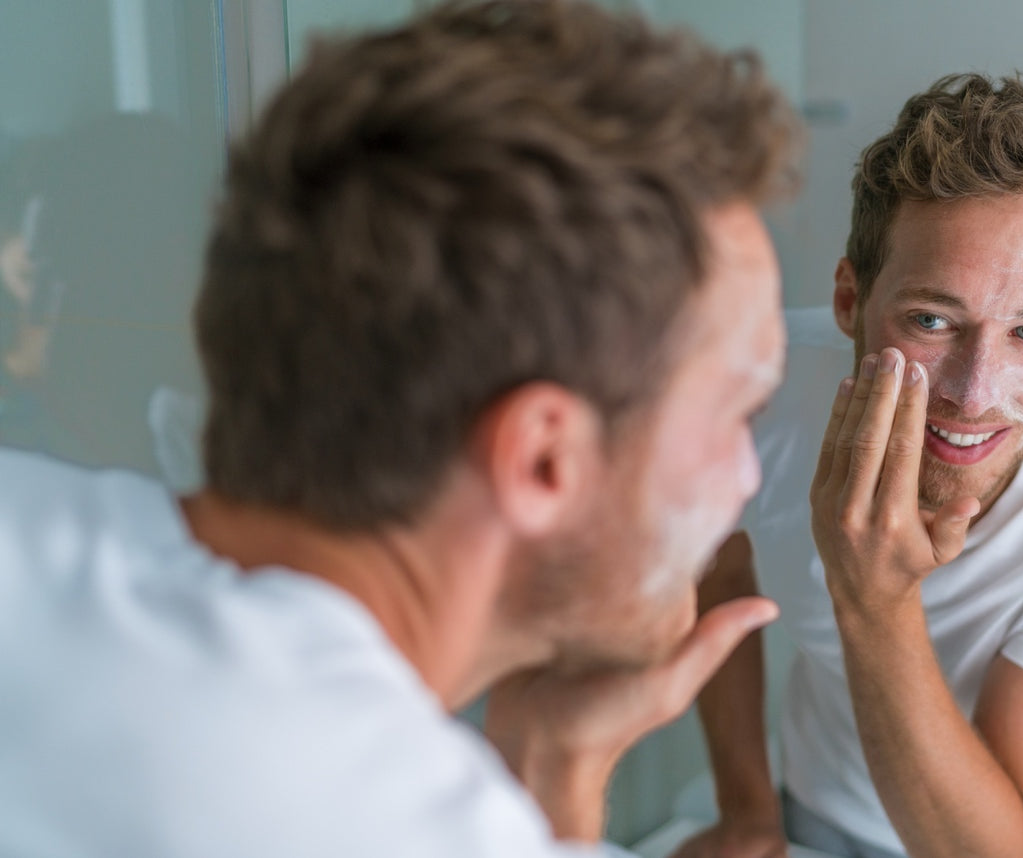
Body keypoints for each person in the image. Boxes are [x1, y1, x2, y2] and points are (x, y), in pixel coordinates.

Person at [0, 1, 801, 855]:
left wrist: (555, 756)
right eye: (735, 414)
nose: (749, 475)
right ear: (541, 460)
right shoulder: (393, 822)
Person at [677, 74, 1023, 858]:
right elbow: (718, 580)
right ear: (848, 300)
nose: (975, 394)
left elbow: (1000, 848)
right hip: (815, 815)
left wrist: (873, 595)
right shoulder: (753, 390)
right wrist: (746, 810)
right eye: (932, 320)